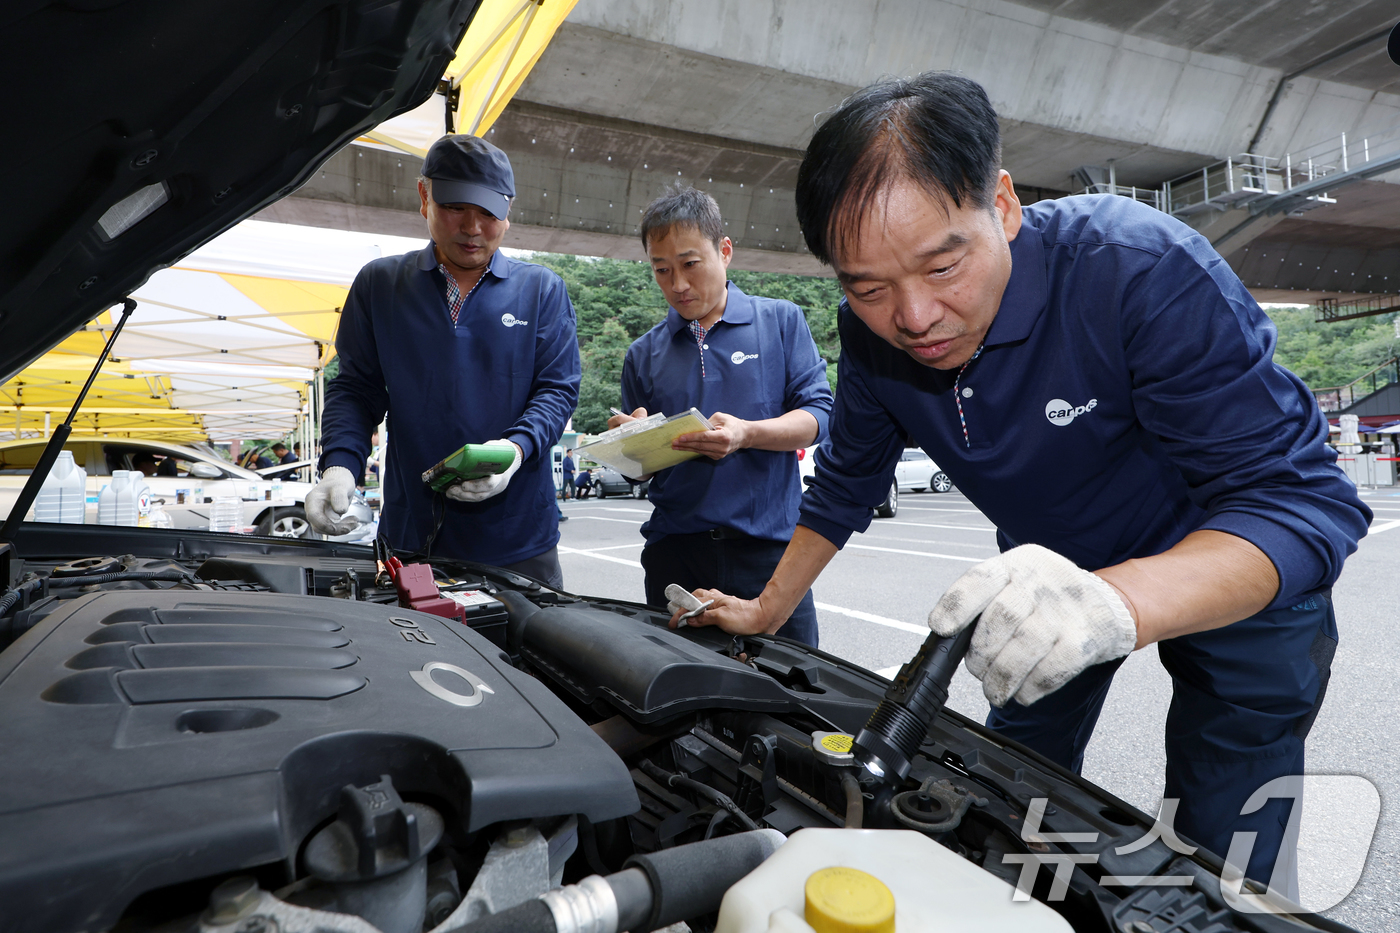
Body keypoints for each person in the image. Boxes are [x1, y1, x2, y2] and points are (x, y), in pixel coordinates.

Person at [685, 73, 1369, 886]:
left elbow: (1302, 502)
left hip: (1232, 562)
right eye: (867, 286)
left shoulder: (1136, 268)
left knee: (1224, 852)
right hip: (1046, 578)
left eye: (944, 267)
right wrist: (767, 607)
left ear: (1002, 205)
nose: (912, 317)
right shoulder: (872, 335)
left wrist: (1119, 601)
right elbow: (844, 483)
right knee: (1003, 791)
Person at [308, 135, 580, 587]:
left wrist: (515, 451)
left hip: (519, 539)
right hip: (412, 537)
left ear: (508, 213)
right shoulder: (380, 285)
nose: (473, 227)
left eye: (490, 212)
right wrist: (338, 465)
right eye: (456, 206)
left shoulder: (541, 290)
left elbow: (557, 390)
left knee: (527, 657)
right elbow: (356, 388)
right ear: (424, 196)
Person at [610, 185, 833, 647]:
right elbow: (638, 475)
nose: (678, 285)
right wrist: (629, 446)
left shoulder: (781, 321)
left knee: (793, 692)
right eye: (662, 270)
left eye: (690, 264)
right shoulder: (643, 353)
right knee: (686, 696)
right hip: (677, 554)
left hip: (770, 552)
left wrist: (747, 434)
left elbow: (820, 415)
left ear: (724, 251)